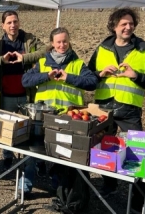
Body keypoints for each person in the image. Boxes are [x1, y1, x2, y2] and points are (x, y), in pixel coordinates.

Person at [88, 8, 145, 213]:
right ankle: (110, 184)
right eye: (123, 24)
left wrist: (136, 75)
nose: (128, 27)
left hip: (129, 111)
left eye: (131, 23)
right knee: (100, 149)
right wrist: (99, 73)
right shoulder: (102, 48)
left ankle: (139, 202)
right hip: (103, 110)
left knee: (138, 157)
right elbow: (89, 77)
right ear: (114, 26)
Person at [21, 27, 98, 202]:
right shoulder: (42, 63)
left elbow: (92, 82)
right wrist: (45, 76)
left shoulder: (77, 64)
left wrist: (69, 77)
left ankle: (59, 190)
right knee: (32, 153)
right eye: (58, 42)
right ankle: (25, 188)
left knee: (63, 155)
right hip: (42, 119)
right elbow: (25, 80)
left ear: (69, 41)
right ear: (52, 44)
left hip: (67, 120)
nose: (62, 45)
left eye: (65, 41)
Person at [0, 10, 46, 185]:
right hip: (6, 95)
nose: (13, 25)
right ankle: (7, 157)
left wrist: (24, 58)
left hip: (27, 95)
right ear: (2, 25)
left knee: (30, 131)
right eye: (9, 22)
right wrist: (2, 59)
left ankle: (32, 162)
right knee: (5, 130)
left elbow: (45, 51)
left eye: (15, 21)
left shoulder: (29, 39)